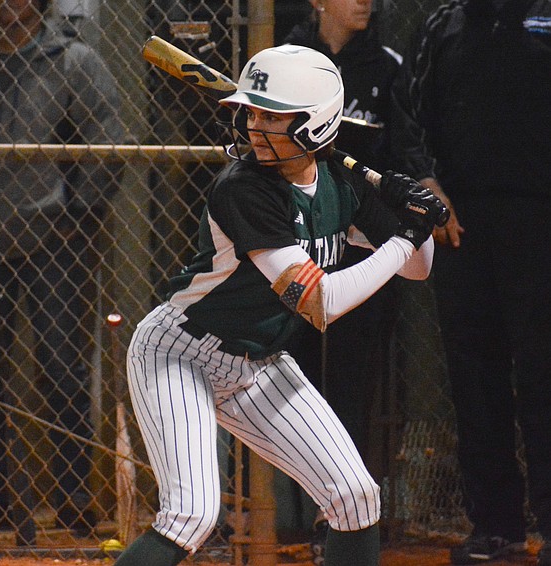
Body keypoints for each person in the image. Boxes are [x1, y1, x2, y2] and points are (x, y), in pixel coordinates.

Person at [114, 44, 445, 566]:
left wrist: (408, 215)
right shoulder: (243, 187)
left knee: (356, 497)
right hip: (179, 354)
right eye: (254, 112)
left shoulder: (340, 185)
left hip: (259, 363)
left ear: (314, 124)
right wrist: (407, 235)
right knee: (192, 515)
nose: (254, 127)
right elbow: (320, 303)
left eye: (274, 116)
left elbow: (418, 267)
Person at [0, 0, 123, 543]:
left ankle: (74, 498)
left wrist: (76, 212)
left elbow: (109, 140)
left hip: (50, 241)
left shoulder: (73, 61)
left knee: (60, 369)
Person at [389, 0, 551, 563]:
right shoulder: (443, 24)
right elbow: (405, 112)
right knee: (475, 378)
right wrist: (429, 185)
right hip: (461, 227)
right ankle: (495, 526)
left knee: (543, 379)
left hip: (540, 225)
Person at [282, 0, 403, 561]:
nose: (365, 2)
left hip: (359, 241)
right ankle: (287, 515)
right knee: (291, 381)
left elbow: (404, 145)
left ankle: (342, 526)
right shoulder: (286, 58)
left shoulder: (386, 65)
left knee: (352, 384)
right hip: (294, 238)